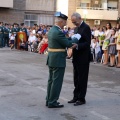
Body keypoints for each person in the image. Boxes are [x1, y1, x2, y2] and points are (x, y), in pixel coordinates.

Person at [46, 12, 81, 108]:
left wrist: (70, 39)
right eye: (65, 21)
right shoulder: (58, 32)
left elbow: (63, 41)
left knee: (51, 81)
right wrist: (75, 39)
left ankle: (49, 99)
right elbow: (68, 44)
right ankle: (52, 101)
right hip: (58, 59)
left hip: (52, 58)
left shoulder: (52, 30)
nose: (66, 23)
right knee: (56, 81)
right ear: (61, 21)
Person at [68, 12, 91, 106]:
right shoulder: (76, 28)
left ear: (80, 18)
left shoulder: (86, 27)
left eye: (75, 22)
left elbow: (87, 42)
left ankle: (81, 98)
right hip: (76, 56)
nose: (74, 24)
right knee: (76, 78)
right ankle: (75, 96)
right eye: (73, 22)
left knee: (82, 78)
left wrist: (77, 46)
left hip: (83, 57)